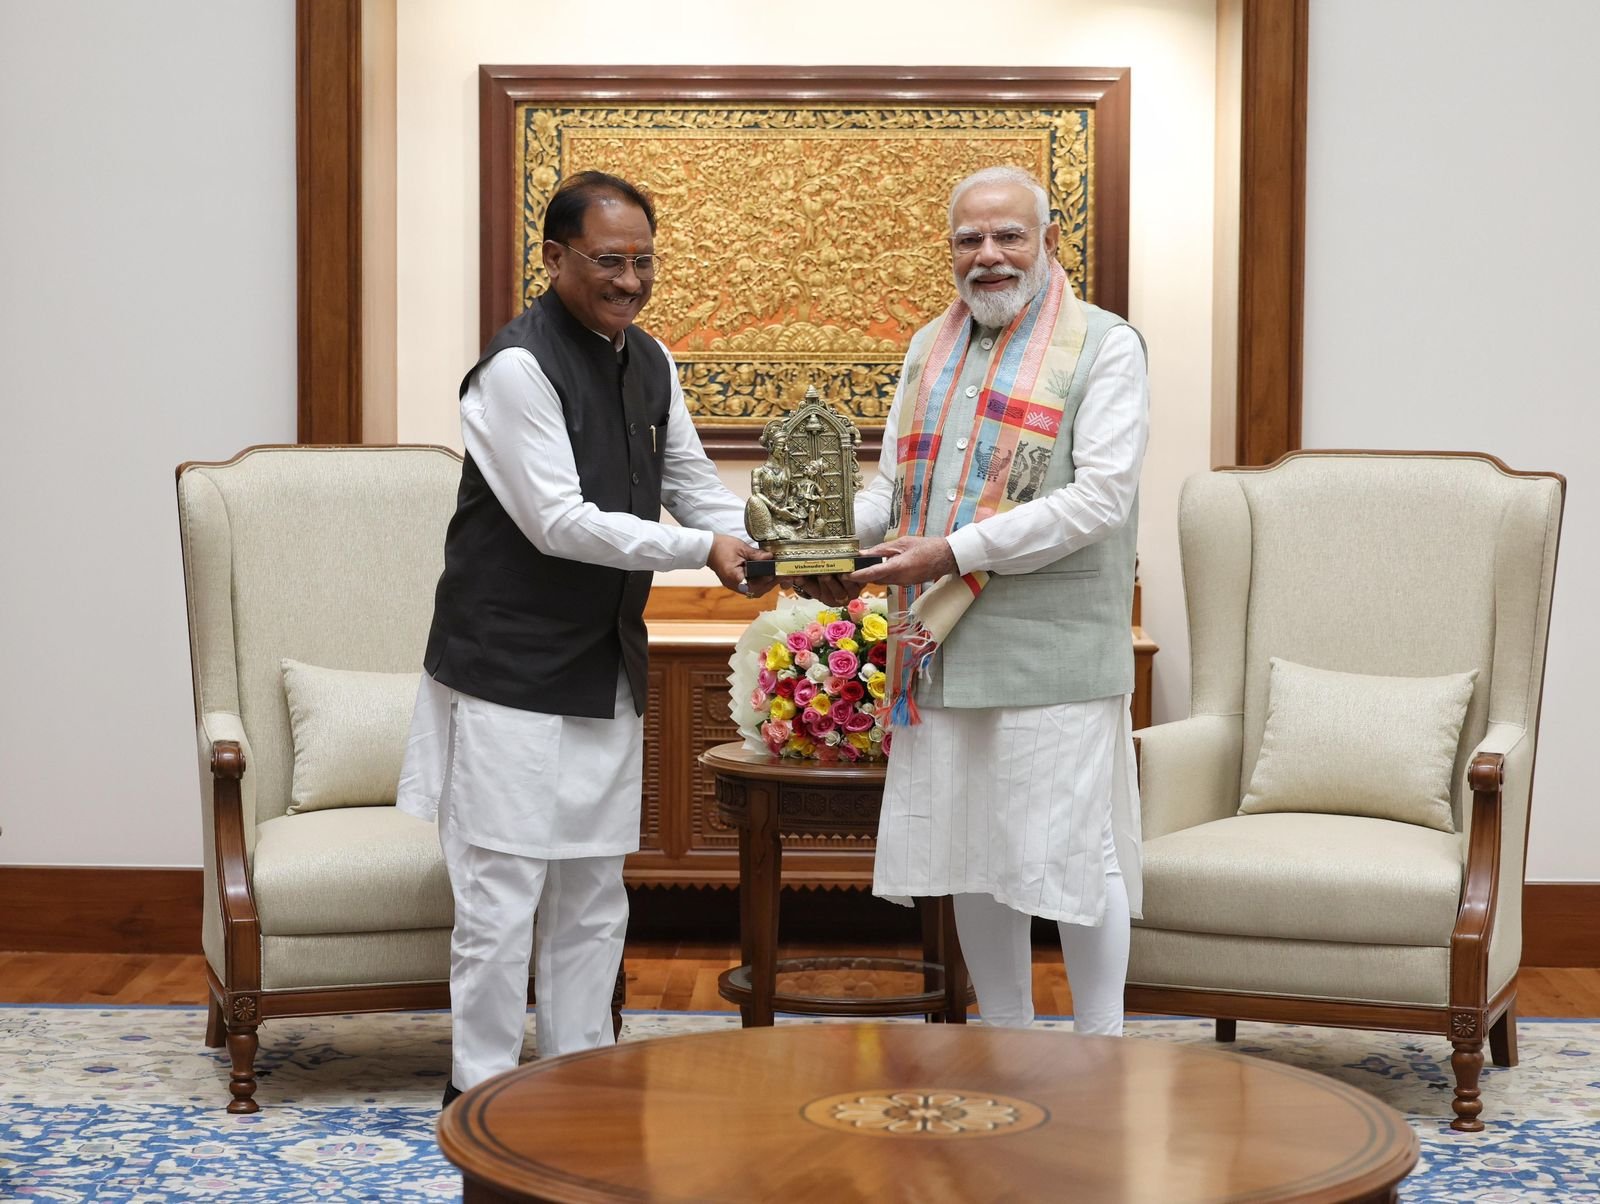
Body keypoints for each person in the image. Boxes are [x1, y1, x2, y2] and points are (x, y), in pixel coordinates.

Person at [396, 171, 768, 1105]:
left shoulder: (651, 360)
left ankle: (576, 1086)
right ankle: (482, 1092)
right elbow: (559, 522)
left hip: (604, 666)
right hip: (508, 670)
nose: (630, 281)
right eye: (609, 261)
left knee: (595, 894)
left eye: (644, 261)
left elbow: (693, 484)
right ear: (555, 256)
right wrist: (702, 550)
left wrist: (778, 547)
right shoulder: (515, 371)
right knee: (501, 895)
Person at [846, 165, 1150, 1035]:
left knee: (1077, 854)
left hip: (1053, 650)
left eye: (1009, 235)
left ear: (1048, 241)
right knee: (972, 853)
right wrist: (824, 543)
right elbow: (893, 492)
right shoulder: (929, 347)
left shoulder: (1105, 346)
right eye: (969, 239)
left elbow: (1099, 501)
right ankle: (1005, 1043)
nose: (989, 255)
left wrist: (953, 552)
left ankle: (1102, 1049)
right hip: (943, 647)